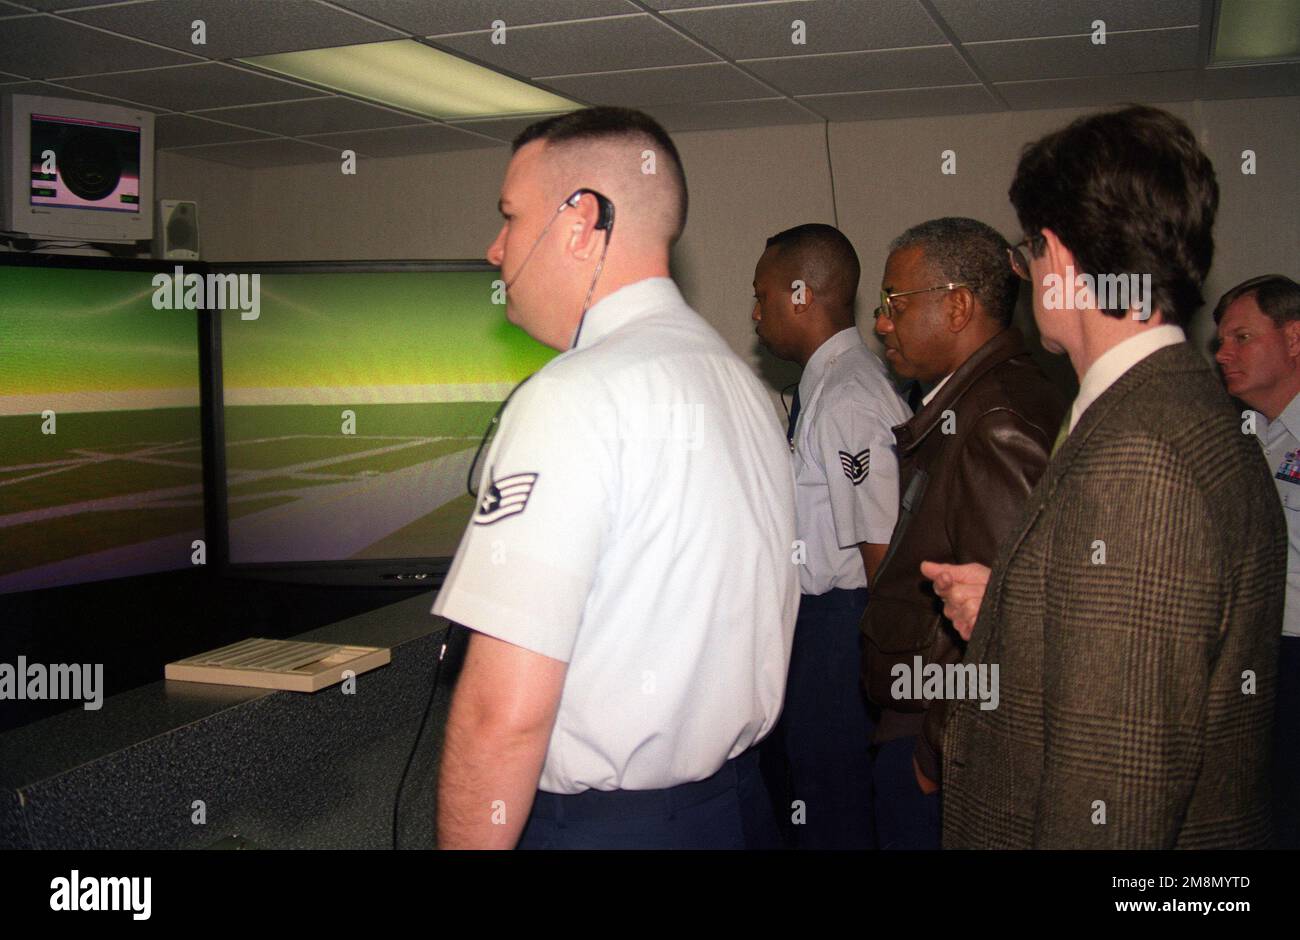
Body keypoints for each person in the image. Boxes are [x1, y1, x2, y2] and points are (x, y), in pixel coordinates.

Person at [432, 107, 798, 849]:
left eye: (510, 217)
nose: (495, 248)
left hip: (605, 830)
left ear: (580, 220)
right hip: (738, 808)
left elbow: (503, 716)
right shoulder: (745, 388)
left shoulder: (570, 397)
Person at [926, 105, 1285, 848]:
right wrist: (1011, 610)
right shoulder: (1188, 408)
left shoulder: (1137, 459)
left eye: (1028, 257)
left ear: (1055, 253)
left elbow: (1113, 793)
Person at [861, 217, 1063, 849]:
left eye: (895, 302)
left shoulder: (994, 418)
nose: (882, 322)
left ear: (957, 306)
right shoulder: (968, 402)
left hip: (938, 733)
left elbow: (1012, 623)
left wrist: (934, 754)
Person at [751, 223, 910, 848]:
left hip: (846, 627)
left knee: (834, 808)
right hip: (821, 626)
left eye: (762, 294)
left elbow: (883, 556)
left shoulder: (849, 397)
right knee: (815, 798)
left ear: (800, 295)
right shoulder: (829, 388)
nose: (756, 311)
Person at [1213, 273, 1300, 848]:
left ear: (1294, 338)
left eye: (1241, 338)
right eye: (1221, 341)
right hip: (1248, 657)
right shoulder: (1240, 436)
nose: (1222, 354)